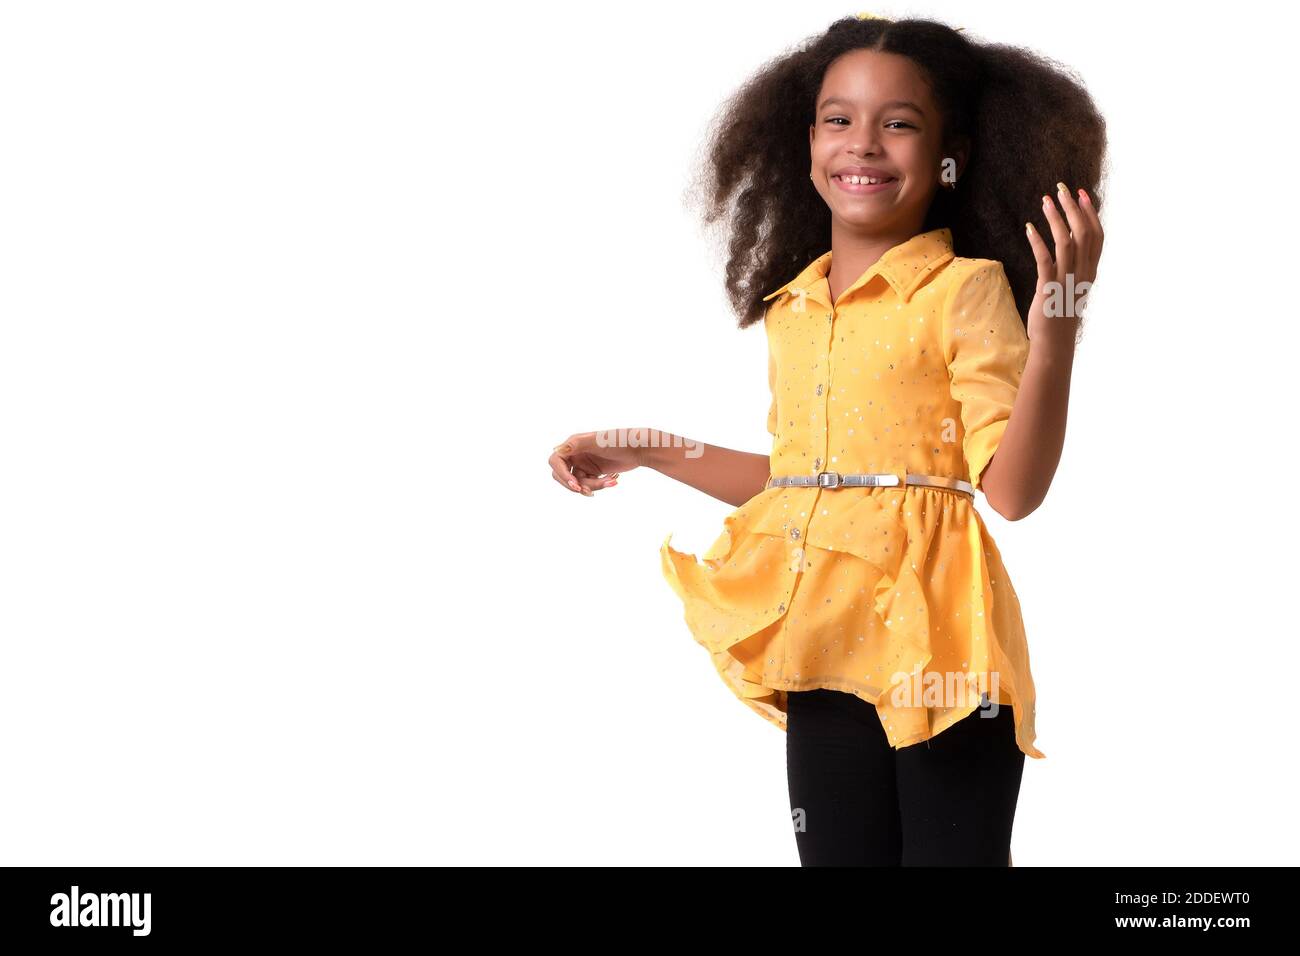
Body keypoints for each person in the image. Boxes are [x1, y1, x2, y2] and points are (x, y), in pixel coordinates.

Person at [548, 14, 1105, 866]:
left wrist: (1057, 329)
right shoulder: (795, 305)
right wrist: (647, 446)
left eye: (900, 123)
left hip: (941, 655)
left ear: (947, 150)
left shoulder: (964, 289)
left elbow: (1012, 492)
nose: (865, 144)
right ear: (804, 140)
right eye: (839, 119)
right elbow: (810, 484)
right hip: (824, 641)